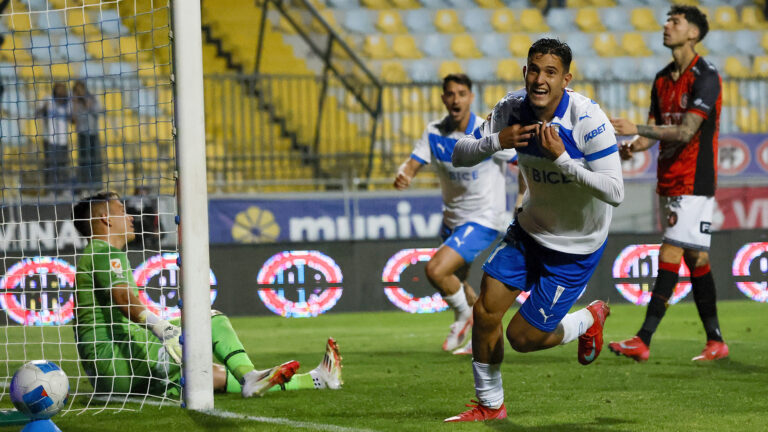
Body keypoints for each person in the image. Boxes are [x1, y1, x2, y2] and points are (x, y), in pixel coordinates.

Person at [445, 38, 624, 422]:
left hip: (575, 245)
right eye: (534, 70)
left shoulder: (588, 120)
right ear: (525, 72)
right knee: (486, 310)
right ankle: (489, 405)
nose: (539, 80)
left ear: (566, 79)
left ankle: (587, 319)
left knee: (523, 338)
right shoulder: (510, 109)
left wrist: (563, 160)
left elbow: (616, 191)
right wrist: (497, 141)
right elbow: (459, 153)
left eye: (550, 72)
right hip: (530, 229)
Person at [72, 191, 343, 398]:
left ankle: (317, 380)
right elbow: (123, 299)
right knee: (207, 319)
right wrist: (163, 328)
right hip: (119, 361)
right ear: (105, 219)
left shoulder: (95, 255)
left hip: (109, 375)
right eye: (122, 210)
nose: (131, 216)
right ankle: (249, 376)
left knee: (208, 374)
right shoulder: (102, 252)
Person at [608, 5, 728, 363]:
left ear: (693, 33)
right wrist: (632, 146)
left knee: (670, 252)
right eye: (667, 20)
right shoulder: (662, 78)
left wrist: (638, 130)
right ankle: (716, 340)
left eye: (675, 21)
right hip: (669, 178)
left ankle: (643, 339)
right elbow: (654, 131)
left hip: (694, 179)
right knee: (696, 256)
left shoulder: (706, 76)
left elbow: (687, 130)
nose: (666, 25)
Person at [393, 73, 517, 354]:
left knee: (436, 269)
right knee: (457, 284)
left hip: (486, 217)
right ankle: (482, 341)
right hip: (453, 220)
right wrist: (404, 174)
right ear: (443, 98)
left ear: (470, 97)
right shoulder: (434, 132)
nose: (455, 99)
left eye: (461, 93)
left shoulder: (487, 132)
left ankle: (464, 318)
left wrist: (522, 200)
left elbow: (521, 163)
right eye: (450, 94)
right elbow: (413, 163)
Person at [38, 82, 72, 194]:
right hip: (50, 140)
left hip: (63, 140)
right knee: (51, 165)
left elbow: (73, 120)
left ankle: (64, 189)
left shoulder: (67, 104)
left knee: (63, 165)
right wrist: (44, 108)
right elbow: (36, 113)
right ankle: (51, 190)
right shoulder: (47, 99)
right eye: (60, 90)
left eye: (63, 91)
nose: (62, 93)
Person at [71, 80, 103, 192]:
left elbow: (98, 111)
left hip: (93, 133)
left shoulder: (92, 98)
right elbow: (73, 119)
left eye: (80, 90)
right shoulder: (75, 102)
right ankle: (84, 185)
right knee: (83, 160)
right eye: (77, 90)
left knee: (95, 160)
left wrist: (85, 100)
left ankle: (96, 185)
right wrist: (75, 103)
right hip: (82, 133)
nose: (79, 92)